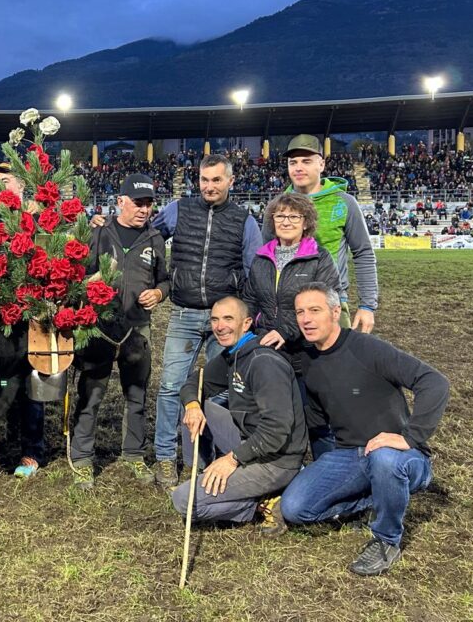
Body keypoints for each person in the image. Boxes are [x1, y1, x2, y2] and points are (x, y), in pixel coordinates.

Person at [278, 283, 450, 576]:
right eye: (300, 312)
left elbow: (434, 382)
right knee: (295, 509)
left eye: (315, 310)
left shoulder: (366, 347)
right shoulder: (309, 361)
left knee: (384, 458)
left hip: (401, 456)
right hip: (350, 455)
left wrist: (410, 438)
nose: (306, 319)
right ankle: (375, 498)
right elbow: (319, 421)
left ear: (335, 312)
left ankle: (386, 540)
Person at [149, 154, 263, 488]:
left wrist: (246, 318)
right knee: (171, 386)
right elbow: (147, 237)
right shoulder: (178, 210)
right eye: (203, 179)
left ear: (230, 181)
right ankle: (166, 458)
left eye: (216, 180)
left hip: (224, 320)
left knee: (219, 392)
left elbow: (254, 270)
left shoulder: (245, 221)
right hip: (183, 313)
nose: (209, 186)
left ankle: (206, 458)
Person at [170, 296, 306, 528]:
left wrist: (232, 460)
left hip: (277, 460)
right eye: (215, 319)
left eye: (228, 319)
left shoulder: (264, 362)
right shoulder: (233, 354)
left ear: (246, 323)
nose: (220, 326)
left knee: (184, 501)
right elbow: (195, 383)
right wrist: (192, 406)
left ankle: (263, 504)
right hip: (249, 440)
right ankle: (205, 475)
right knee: (198, 407)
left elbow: (276, 430)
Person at [70, 174, 169, 489]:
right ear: (120, 202)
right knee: (91, 393)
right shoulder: (99, 232)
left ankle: (134, 454)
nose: (144, 209)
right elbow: (78, 274)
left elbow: (164, 279)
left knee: (136, 394)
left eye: (149, 204)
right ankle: (83, 458)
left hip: (137, 327)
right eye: (138, 203)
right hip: (99, 327)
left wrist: (159, 294)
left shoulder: (154, 238)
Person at [244, 192, 339, 459]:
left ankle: (326, 470)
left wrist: (285, 330)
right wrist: (247, 329)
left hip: (308, 352)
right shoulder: (261, 258)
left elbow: (322, 303)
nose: (286, 221)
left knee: (316, 420)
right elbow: (251, 298)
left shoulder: (319, 258)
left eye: (293, 216)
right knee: (275, 417)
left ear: (306, 221)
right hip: (268, 350)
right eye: (280, 215)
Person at [0, 161, 46, 479]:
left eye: (7, 180)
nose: (0, 187)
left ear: (21, 184)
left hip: (30, 320)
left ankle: (31, 452)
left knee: (30, 389)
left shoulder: (39, 221)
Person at [280, 135, 378, 331]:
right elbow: (266, 257)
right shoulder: (279, 205)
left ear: (321, 164)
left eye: (306, 161)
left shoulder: (344, 202)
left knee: (338, 361)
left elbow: (363, 253)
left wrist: (367, 305)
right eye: (293, 162)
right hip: (289, 303)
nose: (299, 167)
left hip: (332, 301)